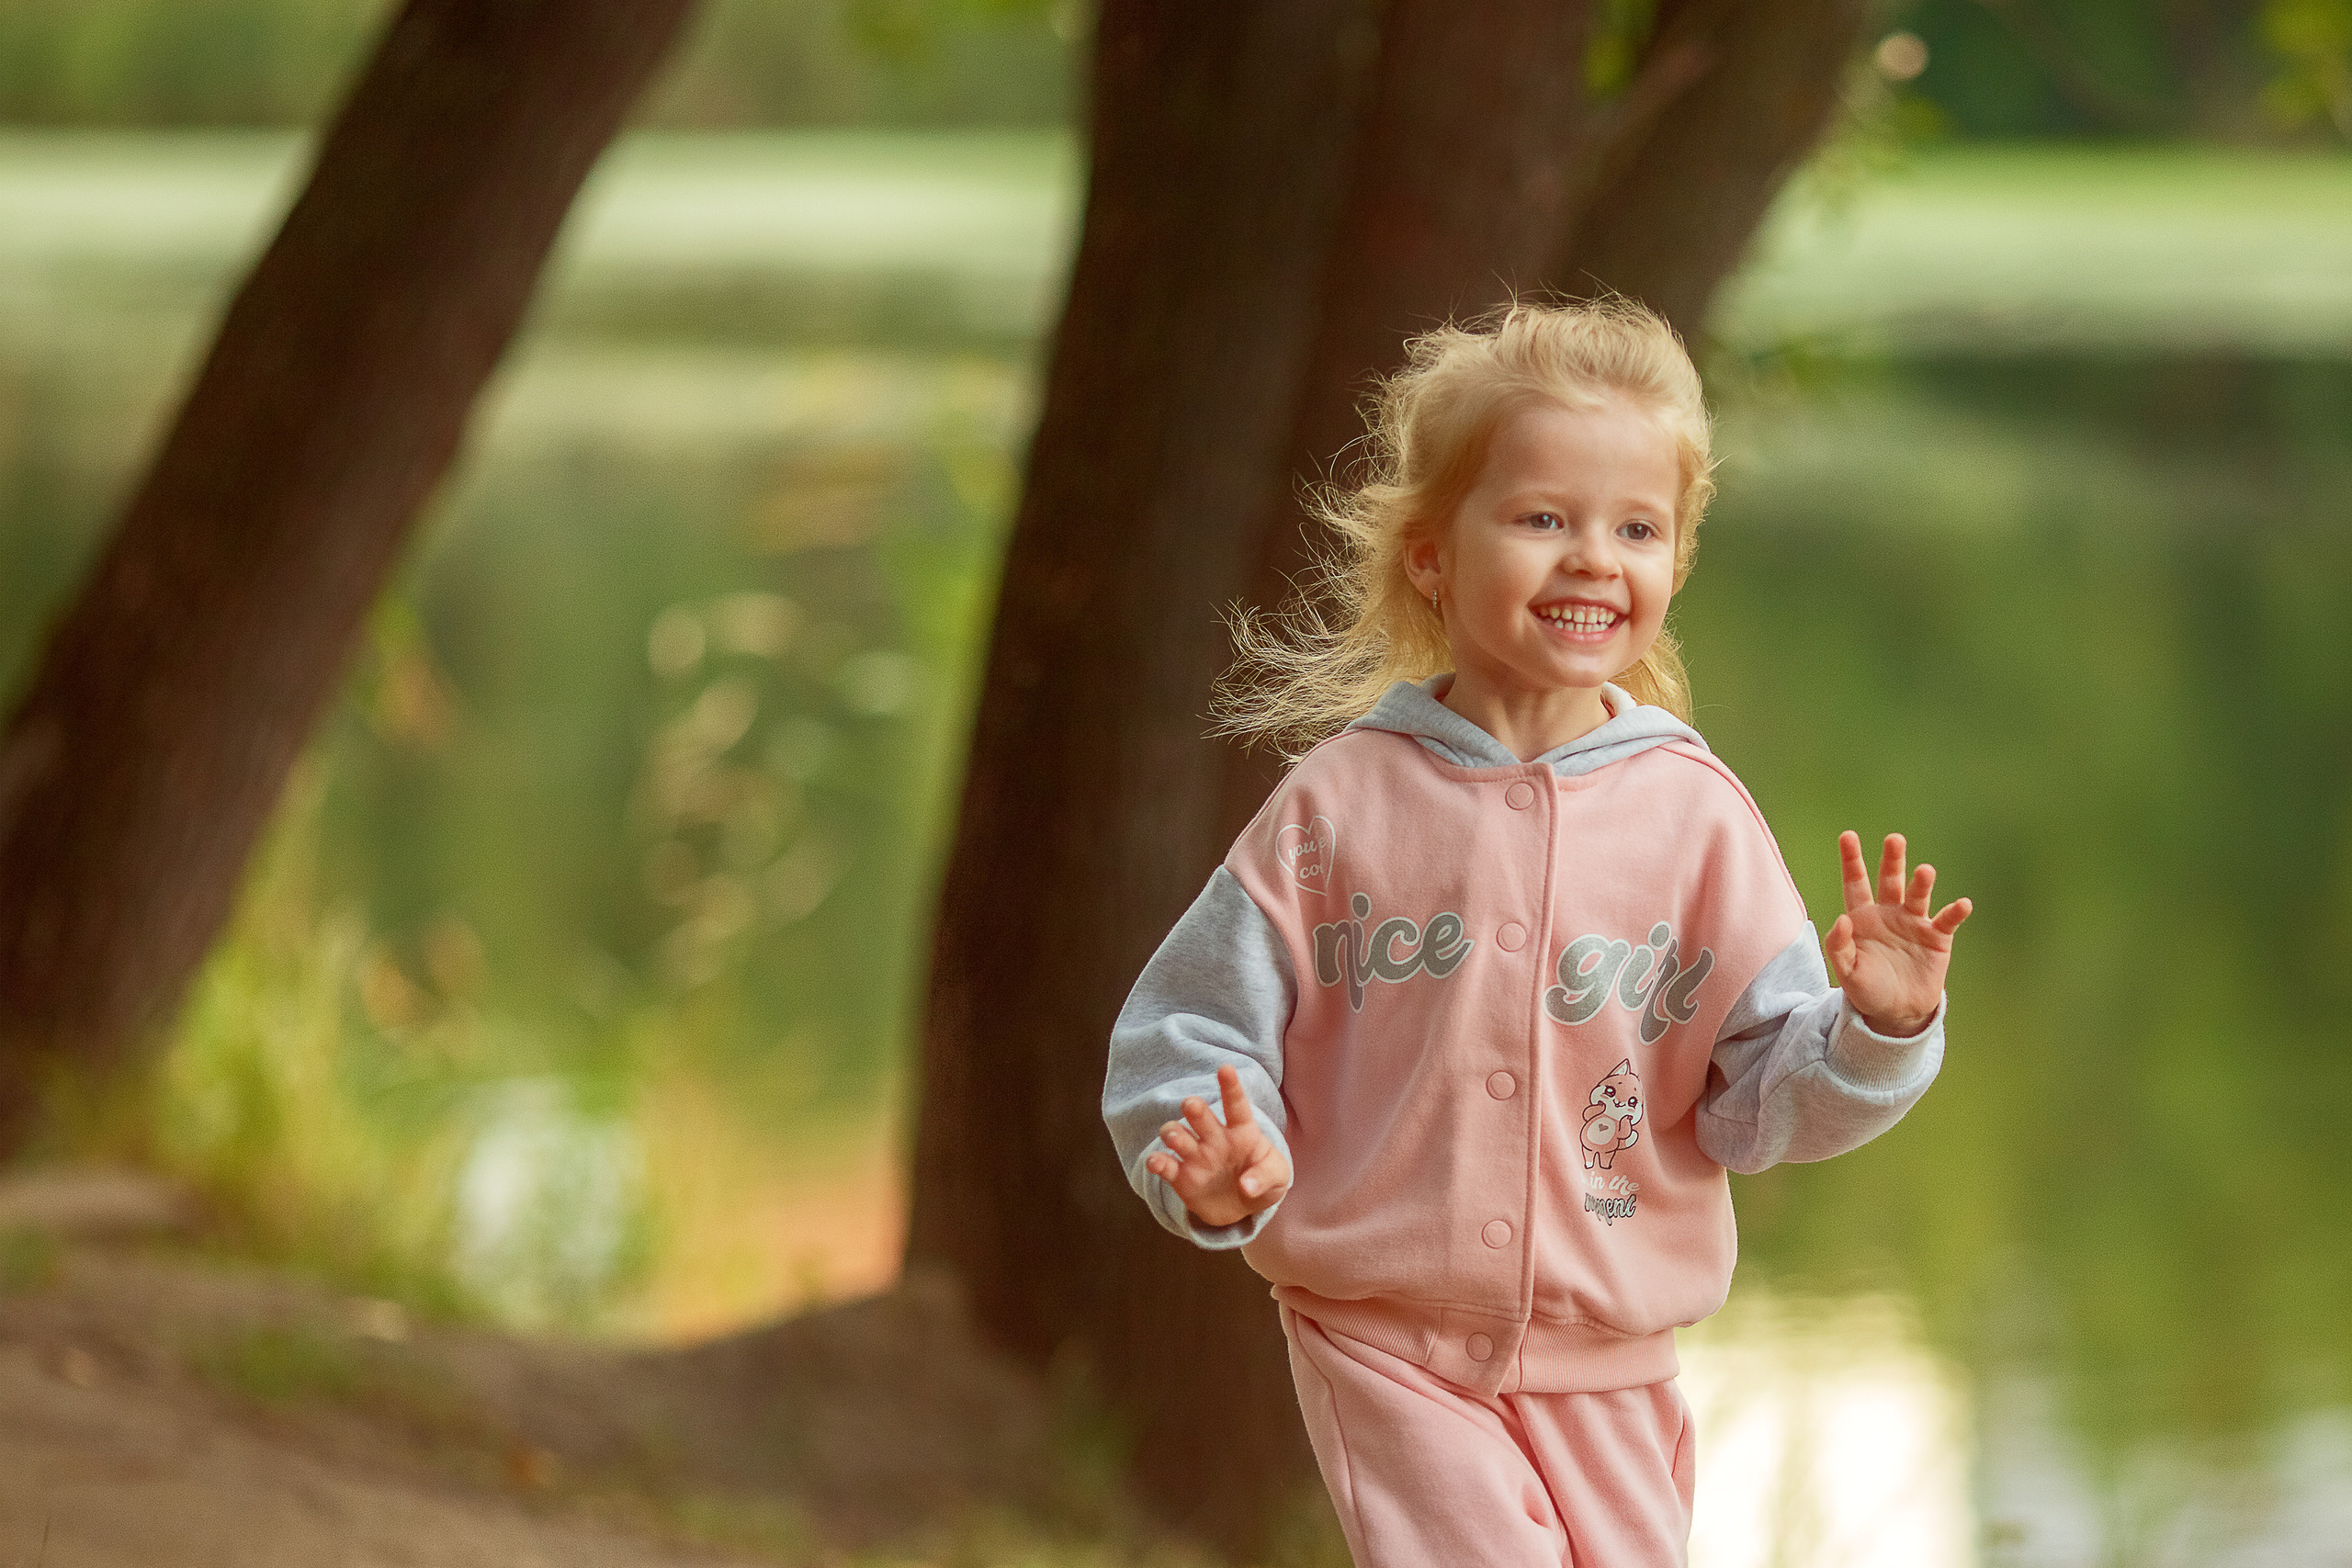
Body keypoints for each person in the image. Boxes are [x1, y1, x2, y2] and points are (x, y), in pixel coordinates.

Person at [1100, 298, 1973, 1566]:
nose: (1591, 559)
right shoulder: (1342, 804)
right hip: (1386, 1346)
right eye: (1542, 518)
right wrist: (1217, 1164)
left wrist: (1881, 1032)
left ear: (1675, 563)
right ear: (1431, 554)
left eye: (1636, 528)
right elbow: (1186, 1031)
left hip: (1615, 1362)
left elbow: (1761, 1103)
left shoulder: (1696, 819)